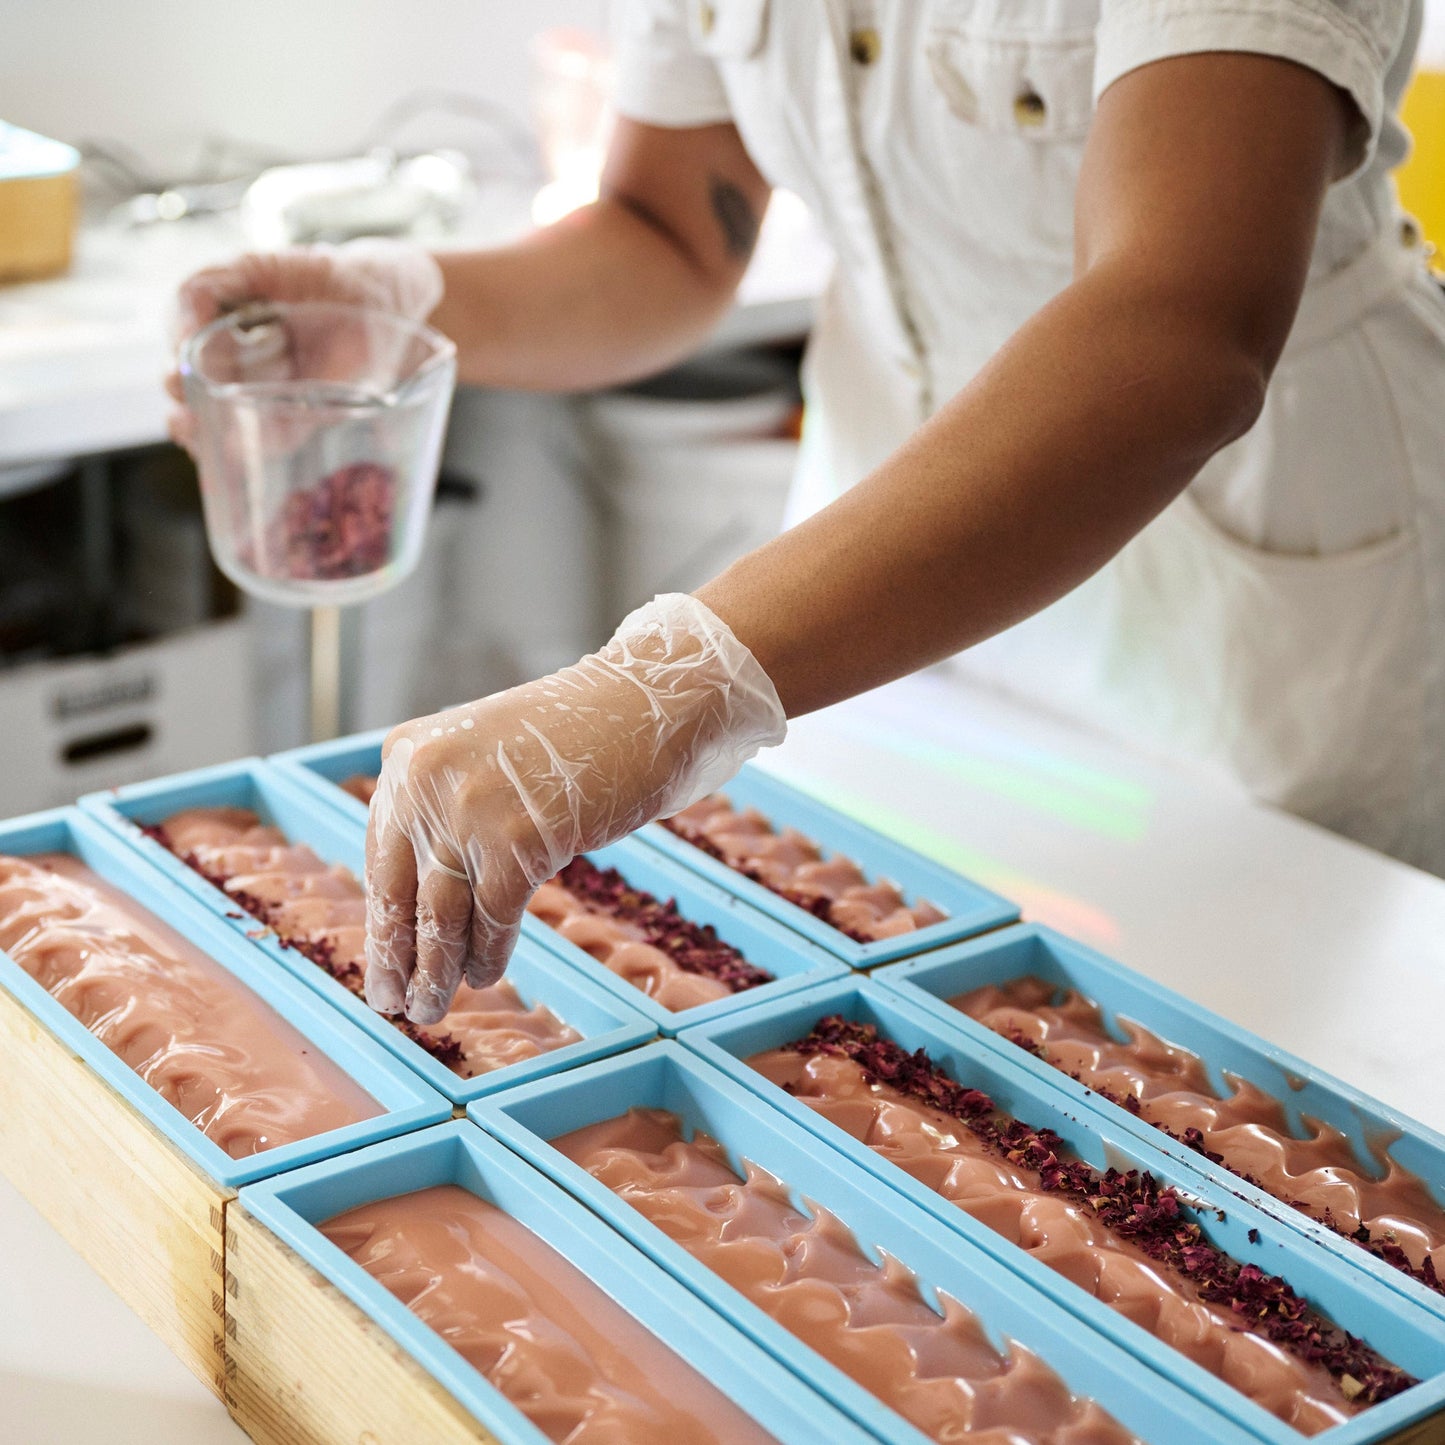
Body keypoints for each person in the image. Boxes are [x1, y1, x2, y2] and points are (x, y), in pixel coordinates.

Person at [169, 2, 1445, 1027]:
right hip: (887, 594)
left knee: (1238, 1088)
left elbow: (1182, 326)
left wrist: (672, 679)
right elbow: (668, 227)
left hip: (1243, 617)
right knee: (930, 1055)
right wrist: (393, 298)